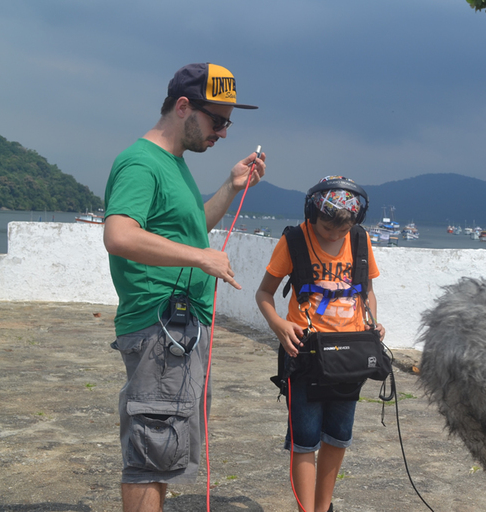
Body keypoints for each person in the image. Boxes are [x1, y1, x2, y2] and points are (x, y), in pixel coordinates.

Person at [103, 62, 265, 511]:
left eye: (228, 122)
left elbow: (189, 233)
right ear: (183, 107)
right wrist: (200, 258)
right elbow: (119, 234)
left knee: (165, 450)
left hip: (178, 331)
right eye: (218, 120)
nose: (224, 133)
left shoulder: (174, 165)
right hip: (160, 329)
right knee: (150, 455)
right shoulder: (141, 162)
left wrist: (231, 188)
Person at [255, 176, 385, 512]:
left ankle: (324, 506)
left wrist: (371, 320)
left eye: (343, 230)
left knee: (339, 435)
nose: (334, 235)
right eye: (328, 228)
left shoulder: (359, 239)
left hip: (351, 354)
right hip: (305, 354)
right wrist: (279, 324)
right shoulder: (295, 241)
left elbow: (366, 288)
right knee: (305, 440)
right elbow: (264, 292)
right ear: (312, 213)